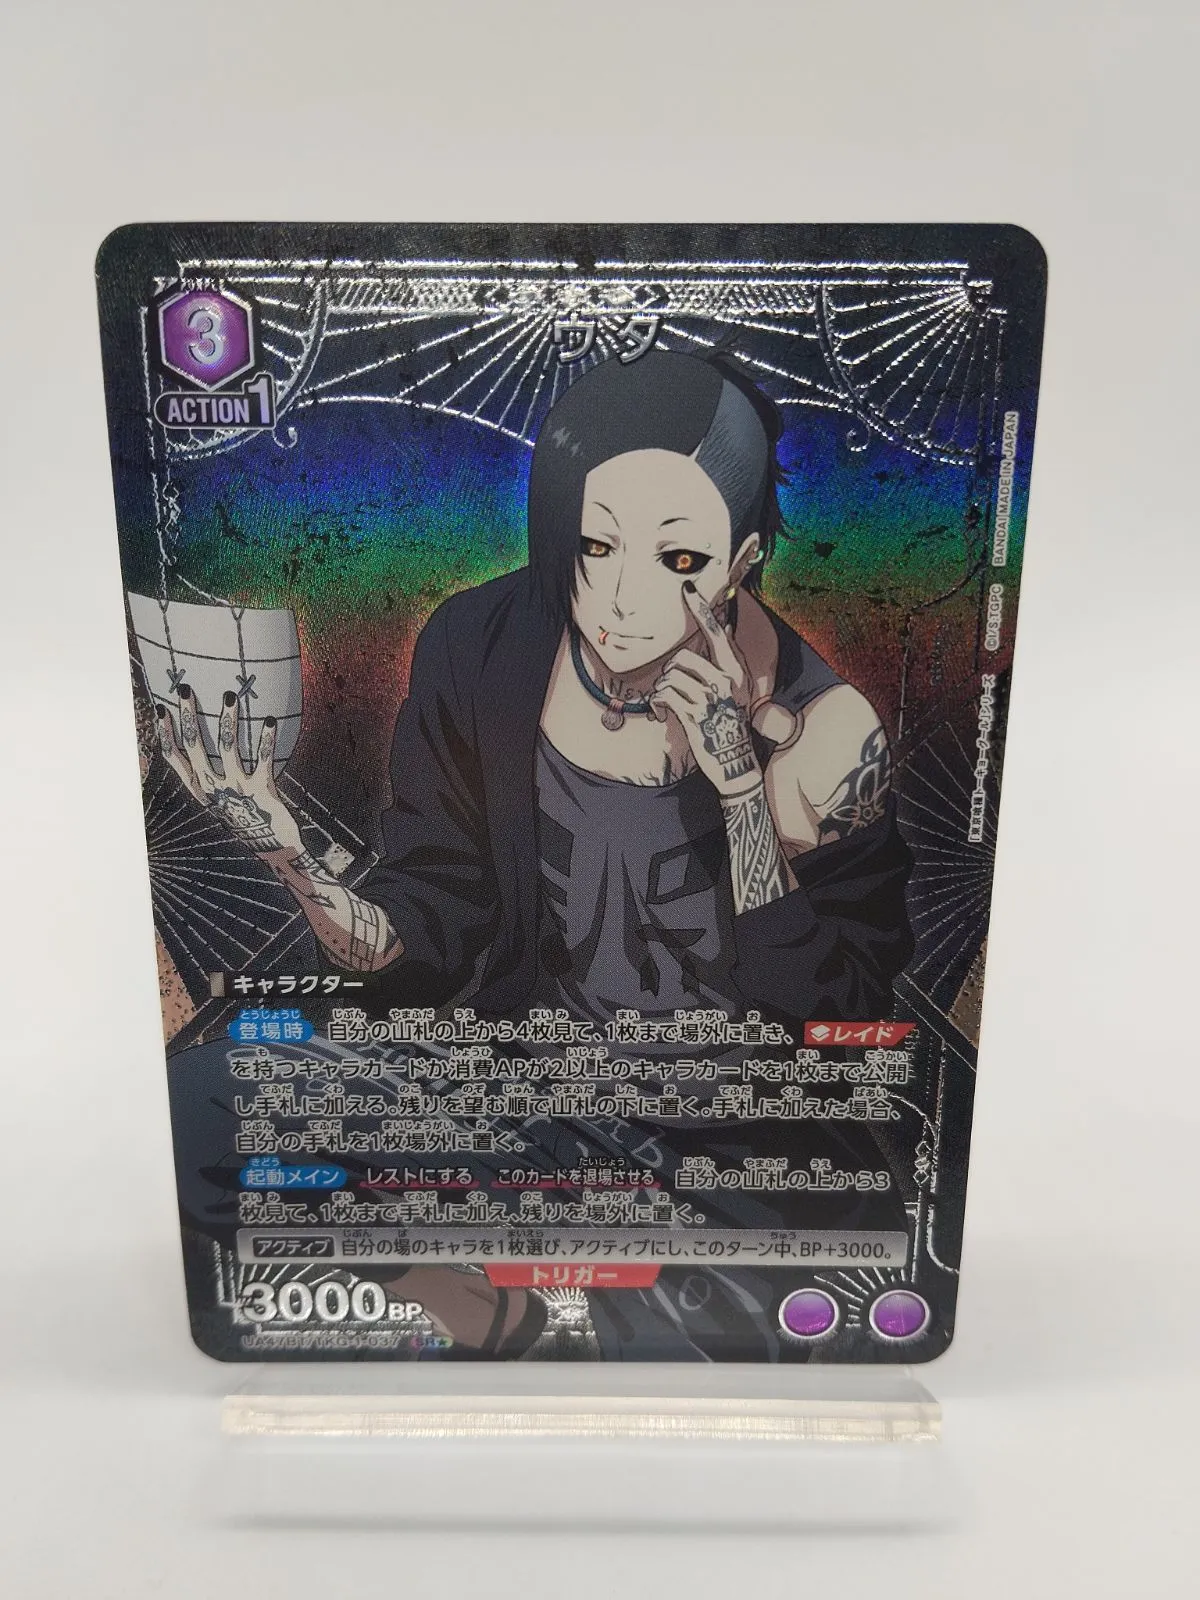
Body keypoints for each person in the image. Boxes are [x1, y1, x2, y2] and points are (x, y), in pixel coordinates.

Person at [157, 350, 914, 1359]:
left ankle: (618, 1306)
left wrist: (739, 786)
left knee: (702, 1365)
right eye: (596, 545)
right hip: (528, 1100)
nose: (622, 598)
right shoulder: (485, 645)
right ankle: (488, 1317)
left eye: (679, 561)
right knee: (206, 1106)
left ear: (742, 560)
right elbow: (437, 904)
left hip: (731, 1151)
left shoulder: (824, 735)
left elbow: (839, 1020)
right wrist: (297, 863)